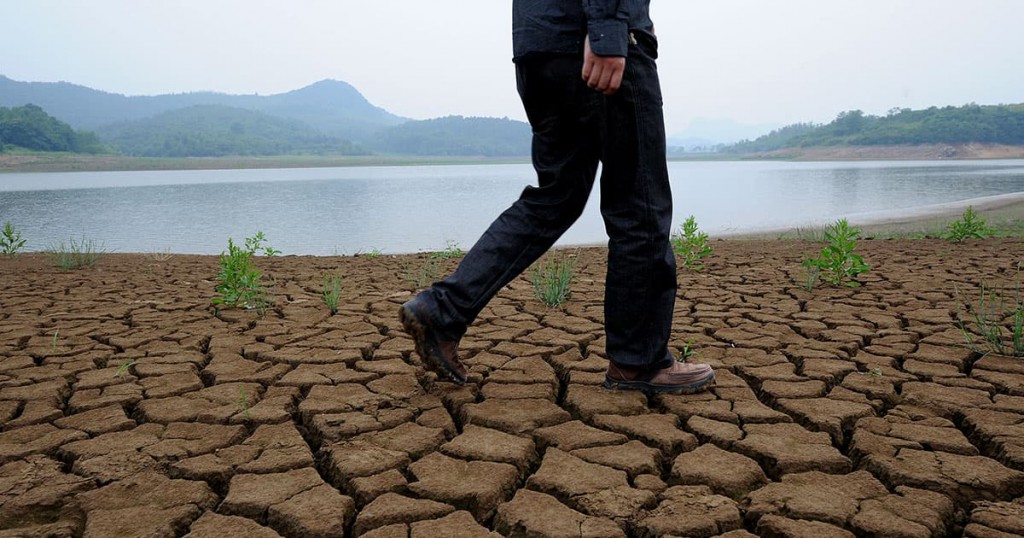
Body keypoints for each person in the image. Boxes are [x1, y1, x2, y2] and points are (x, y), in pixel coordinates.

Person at [400, 0, 715, 394]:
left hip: (539, 48)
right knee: (640, 202)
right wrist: (608, 28)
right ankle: (639, 362)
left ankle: (442, 310)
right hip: (595, 40)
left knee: (556, 196)